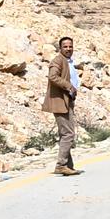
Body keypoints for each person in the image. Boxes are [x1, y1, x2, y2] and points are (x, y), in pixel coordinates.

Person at [44, 34, 80, 175]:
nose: (68, 49)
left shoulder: (67, 61)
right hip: (60, 102)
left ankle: (68, 166)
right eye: (65, 46)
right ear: (60, 48)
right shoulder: (58, 60)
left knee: (66, 133)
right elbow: (52, 76)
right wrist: (69, 86)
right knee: (68, 134)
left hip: (67, 101)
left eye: (70, 46)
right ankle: (61, 165)